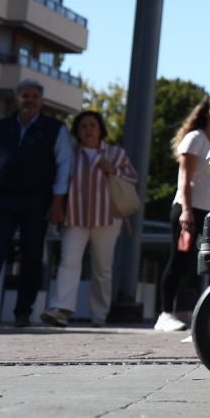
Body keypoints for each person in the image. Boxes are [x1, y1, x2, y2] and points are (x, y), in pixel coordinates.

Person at [0, 79, 73, 328]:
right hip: (0, 198)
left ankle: (23, 312)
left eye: (34, 96)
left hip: (37, 200)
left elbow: (64, 166)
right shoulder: (0, 127)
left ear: (41, 101)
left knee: (31, 256)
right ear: (16, 99)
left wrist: (57, 202)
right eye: (24, 96)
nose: (29, 100)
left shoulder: (54, 129)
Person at [41, 109, 139, 327]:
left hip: (108, 218)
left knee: (102, 268)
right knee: (68, 263)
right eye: (83, 126)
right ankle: (61, 310)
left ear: (100, 129)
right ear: (77, 131)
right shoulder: (69, 155)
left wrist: (113, 170)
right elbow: (58, 181)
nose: (88, 130)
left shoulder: (115, 153)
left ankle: (99, 316)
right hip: (74, 217)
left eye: (92, 125)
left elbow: (133, 177)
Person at [153, 93, 210, 331]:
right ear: (205, 112)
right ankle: (165, 314)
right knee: (179, 261)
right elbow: (184, 179)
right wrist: (186, 211)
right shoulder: (195, 138)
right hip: (188, 210)